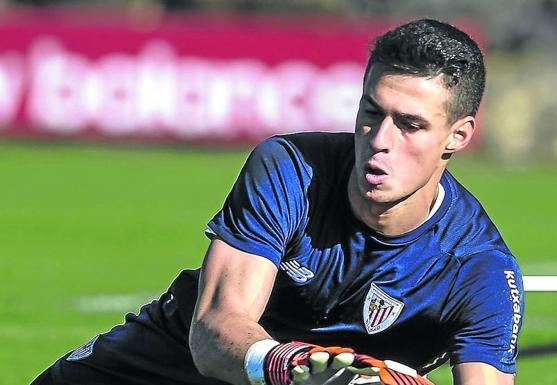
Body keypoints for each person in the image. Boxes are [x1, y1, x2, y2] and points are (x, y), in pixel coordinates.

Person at [32, 18, 524, 385]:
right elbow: (212, 334)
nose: (379, 139)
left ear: (457, 136)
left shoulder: (479, 268)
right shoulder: (290, 168)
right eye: (371, 113)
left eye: (410, 125)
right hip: (168, 364)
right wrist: (289, 366)